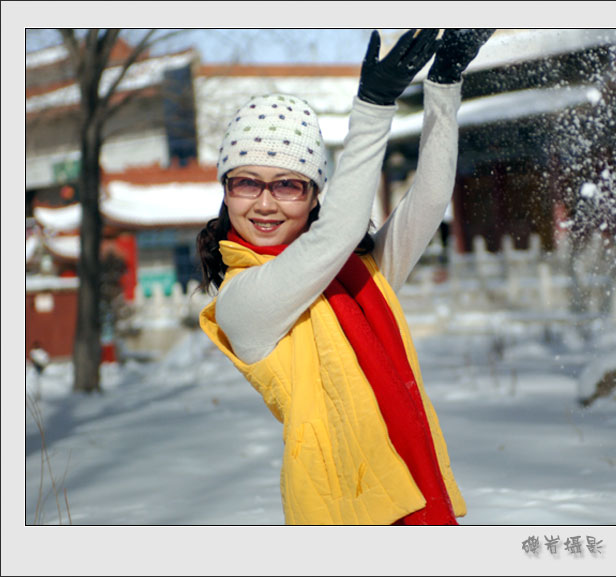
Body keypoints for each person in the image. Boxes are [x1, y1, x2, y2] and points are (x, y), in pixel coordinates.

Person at [197, 29, 493, 525]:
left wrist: (444, 86)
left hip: (416, 495)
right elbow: (336, 235)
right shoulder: (240, 302)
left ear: (315, 197)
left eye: (288, 185)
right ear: (226, 192)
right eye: (247, 182)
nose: (265, 203)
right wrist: (374, 104)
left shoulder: (357, 279)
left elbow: (429, 200)